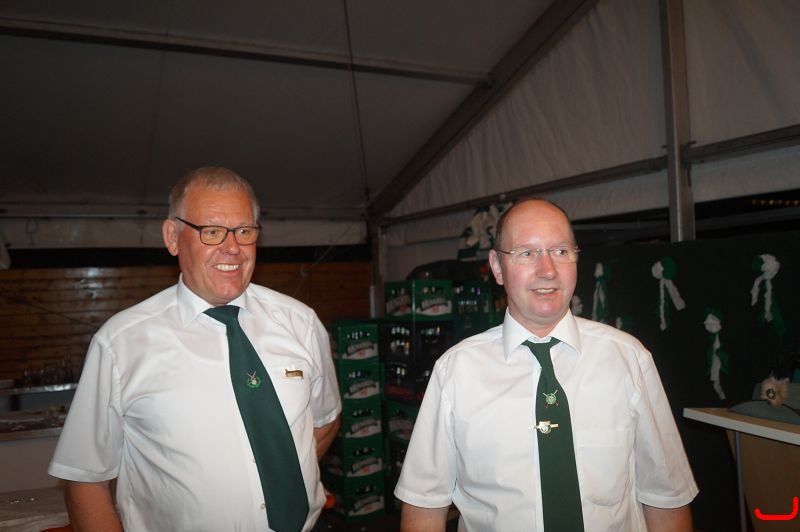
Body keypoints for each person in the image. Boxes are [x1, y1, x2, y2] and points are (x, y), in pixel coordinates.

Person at [48, 167, 341, 531]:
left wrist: (275, 480)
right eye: (212, 231)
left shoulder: (301, 323)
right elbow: (85, 479)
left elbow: (325, 422)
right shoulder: (121, 344)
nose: (232, 247)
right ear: (173, 237)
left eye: (244, 231)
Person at [395, 198, 698, 531]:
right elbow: (424, 507)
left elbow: (666, 498)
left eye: (561, 251)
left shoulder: (628, 360)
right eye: (527, 253)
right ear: (497, 267)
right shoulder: (456, 372)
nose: (548, 270)